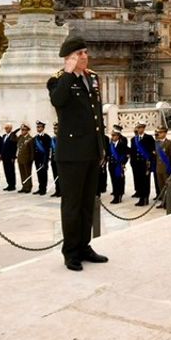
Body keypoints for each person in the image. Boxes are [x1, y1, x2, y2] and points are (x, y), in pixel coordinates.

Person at [47, 35, 108, 271]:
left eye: (85, 52)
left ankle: (84, 246)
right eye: (80, 53)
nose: (85, 56)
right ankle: (70, 252)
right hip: (72, 153)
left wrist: (101, 148)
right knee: (72, 205)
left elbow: (97, 118)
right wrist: (69, 72)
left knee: (86, 203)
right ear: (69, 57)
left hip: (91, 151)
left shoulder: (92, 78)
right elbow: (58, 101)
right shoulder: (58, 80)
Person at [128, 121, 155, 206]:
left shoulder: (149, 138)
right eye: (139, 127)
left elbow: (152, 151)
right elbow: (132, 152)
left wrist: (150, 162)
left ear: (144, 128)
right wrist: (132, 162)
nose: (140, 129)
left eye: (142, 127)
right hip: (137, 164)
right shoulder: (133, 139)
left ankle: (145, 198)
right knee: (139, 181)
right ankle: (141, 198)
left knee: (145, 181)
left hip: (145, 163)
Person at [152, 126, 171, 209]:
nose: (159, 134)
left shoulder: (169, 143)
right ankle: (163, 202)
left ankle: (168, 203)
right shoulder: (157, 143)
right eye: (158, 133)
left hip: (166, 168)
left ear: (165, 133)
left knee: (167, 186)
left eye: (160, 132)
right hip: (159, 168)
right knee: (161, 186)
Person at [105, 124, 129, 203]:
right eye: (112, 135)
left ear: (118, 136)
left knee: (118, 181)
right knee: (113, 181)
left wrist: (123, 163)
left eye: (114, 135)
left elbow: (126, 155)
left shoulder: (122, 144)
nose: (112, 137)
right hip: (111, 165)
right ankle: (115, 194)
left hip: (118, 166)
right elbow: (108, 154)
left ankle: (118, 196)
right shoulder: (110, 145)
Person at [32, 121, 52, 196]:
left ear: (43, 128)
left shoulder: (46, 137)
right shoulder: (35, 137)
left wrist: (45, 161)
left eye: (40, 127)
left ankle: (43, 189)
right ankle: (40, 188)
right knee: (39, 174)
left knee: (43, 174)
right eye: (37, 127)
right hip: (37, 159)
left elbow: (47, 150)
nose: (38, 128)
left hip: (43, 158)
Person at [16, 123, 35, 194]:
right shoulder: (20, 138)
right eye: (21, 130)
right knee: (22, 173)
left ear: (27, 130)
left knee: (27, 174)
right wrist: (17, 129)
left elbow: (32, 150)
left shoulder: (30, 139)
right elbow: (12, 138)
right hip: (20, 159)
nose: (22, 131)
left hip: (27, 159)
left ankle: (28, 187)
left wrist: (31, 159)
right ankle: (24, 186)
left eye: (24, 130)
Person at [0, 123, 18, 192]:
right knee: (6, 171)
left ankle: (12, 185)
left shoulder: (13, 136)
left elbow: (14, 147)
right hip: (4, 157)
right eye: (5, 128)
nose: (6, 129)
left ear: (10, 128)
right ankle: (9, 184)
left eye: (7, 128)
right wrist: (0, 154)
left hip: (10, 157)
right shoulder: (4, 136)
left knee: (11, 171)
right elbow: (2, 146)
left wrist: (13, 157)